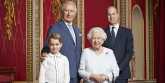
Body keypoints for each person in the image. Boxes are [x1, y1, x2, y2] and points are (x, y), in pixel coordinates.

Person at [41, 1, 82, 83]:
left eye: (72, 11)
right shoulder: (55, 28)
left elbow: (78, 51)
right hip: (61, 74)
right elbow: (47, 47)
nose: (69, 14)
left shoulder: (77, 30)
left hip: (76, 74)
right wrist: (44, 53)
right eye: (66, 10)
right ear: (62, 12)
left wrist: (80, 75)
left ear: (75, 13)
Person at [103, 6, 134, 83]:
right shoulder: (102, 32)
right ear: (107, 17)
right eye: (109, 14)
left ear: (118, 15)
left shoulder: (127, 32)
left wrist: (118, 69)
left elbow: (129, 53)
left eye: (113, 14)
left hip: (122, 73)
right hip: (106, 73)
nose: (111, 16)